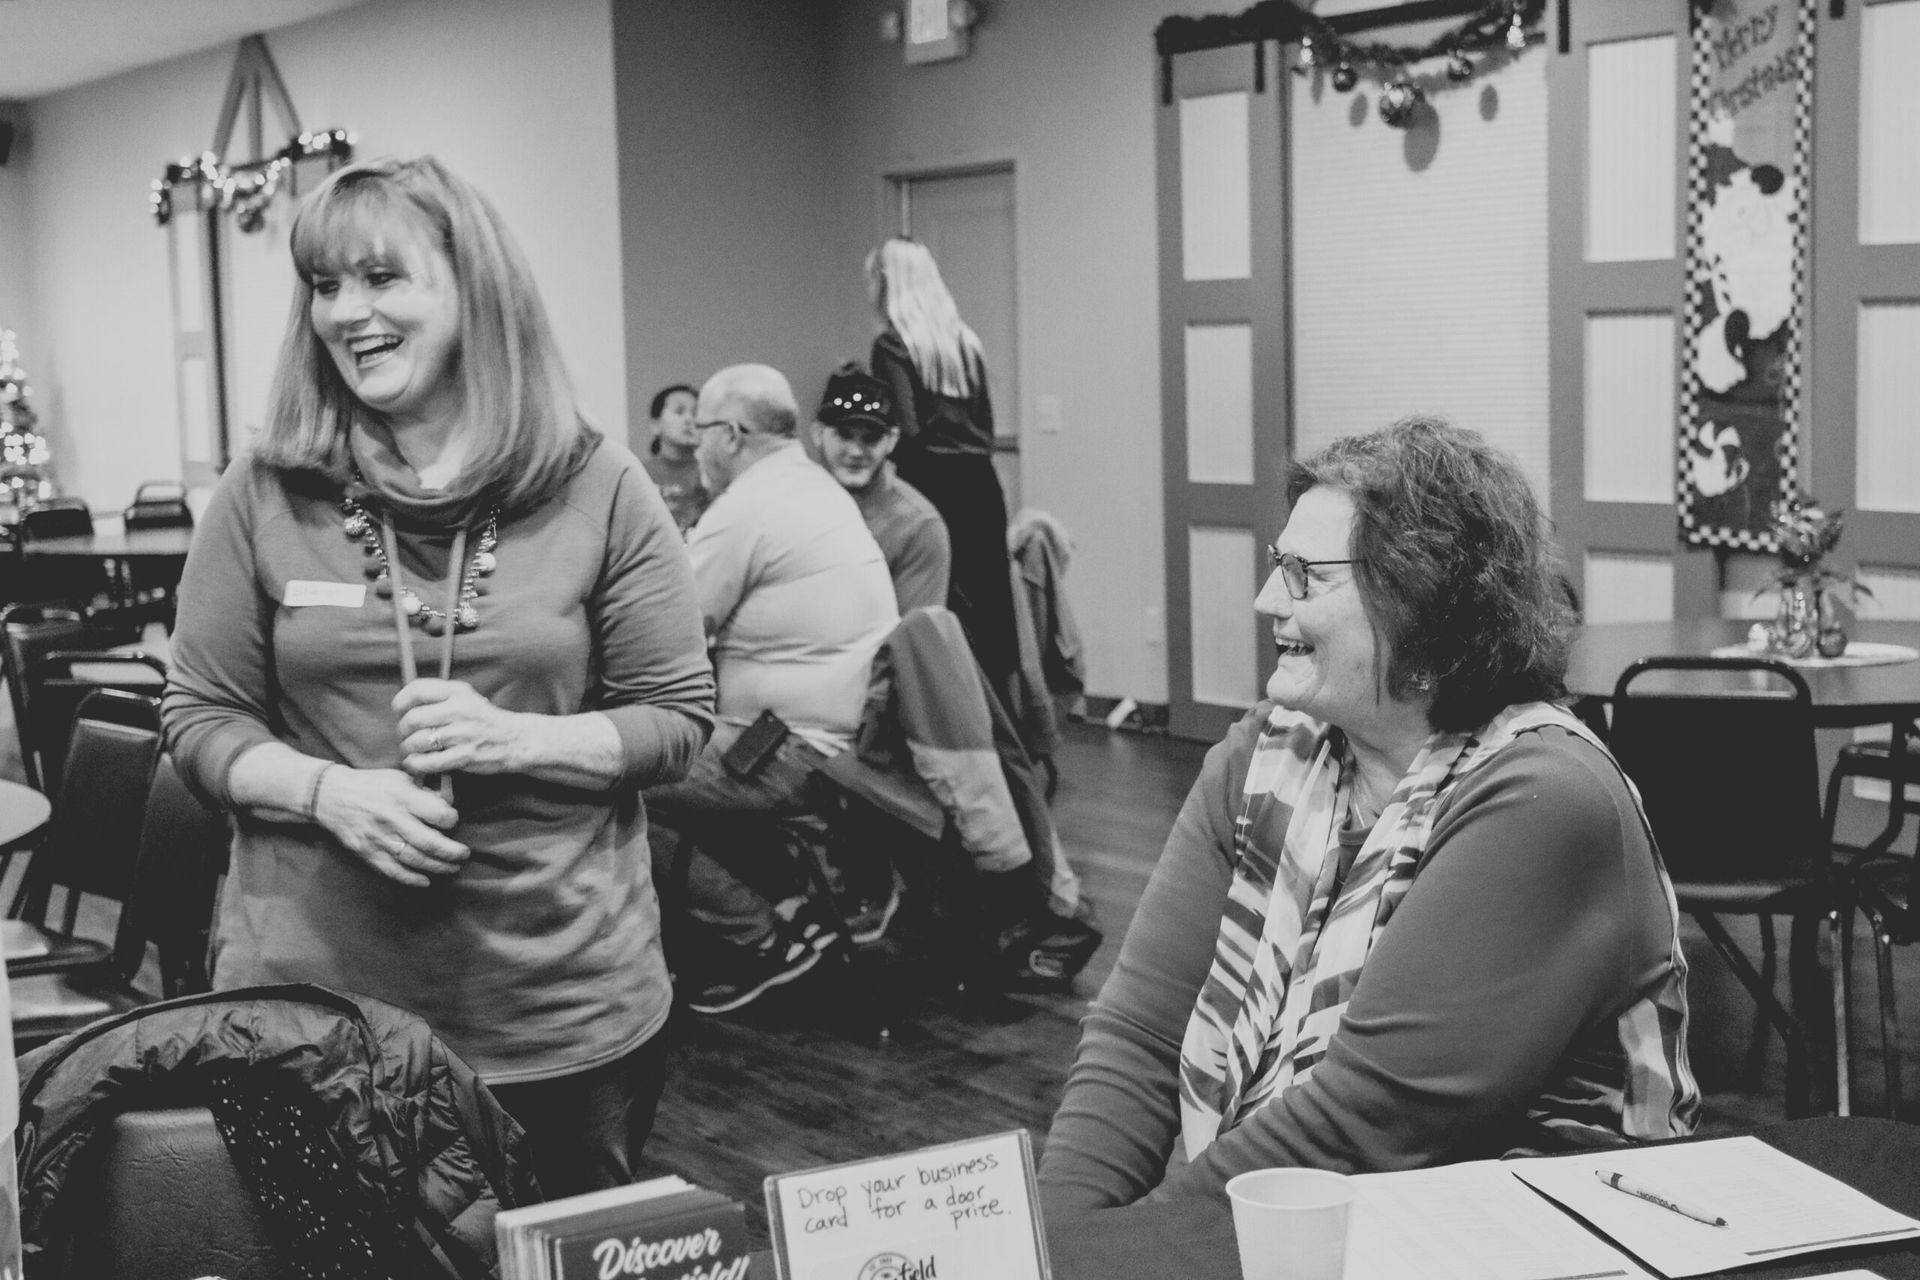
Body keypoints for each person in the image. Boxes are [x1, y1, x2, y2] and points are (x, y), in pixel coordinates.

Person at [161, 155, 715, 1199]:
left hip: (559, 1017)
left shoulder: (600, 484)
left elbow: (677, 717)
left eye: (381, 278)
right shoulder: (264, 490)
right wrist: (328, 790)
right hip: (308, 1016)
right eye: (325, 285)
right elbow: (198, 714)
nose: (347, 313)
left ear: (475, 288)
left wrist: (522, 739)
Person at [1038, 416, 1699, 1220]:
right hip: (1322, 1228)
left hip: (1542, 1236)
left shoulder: (1544, 797)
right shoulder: (1263, 758)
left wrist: (1104, 1262)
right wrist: (1055, 1242)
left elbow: (1358, 1128)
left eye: (1304, 576)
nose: (1265, 598)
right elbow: (1139, 1036)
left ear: (1426, 608)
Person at [645, 363, 899, 1015]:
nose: (697, 444)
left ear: (730, 434)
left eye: (701, 430)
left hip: (788, 749)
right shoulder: (810, 488)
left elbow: (664, 630)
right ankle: (791, 907)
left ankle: (766, 942)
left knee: (618, 780)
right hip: (830, 742)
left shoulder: (748, 508)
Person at [866, 238, 1020, 703]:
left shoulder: (892, 345)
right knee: (990, 604)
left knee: (936, 607)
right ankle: (999, 723)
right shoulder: (965, 343)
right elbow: (987, 428)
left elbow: (907, 431)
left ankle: (943, 710)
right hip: (981, 482)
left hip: (930, 485)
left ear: (889, 283)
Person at [811, 363, 951, 612]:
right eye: (844, 435)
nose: (855, 451)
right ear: (817, 434)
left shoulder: (918, 527)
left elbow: (909, 640)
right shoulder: (794, 507)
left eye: (870, 438)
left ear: (891, 440)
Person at [639, 381, 709, 533]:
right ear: (655, 425)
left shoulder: (711, 473)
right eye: (679, 412)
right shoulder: (639, 474)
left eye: (695, 413)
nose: (689, 420)